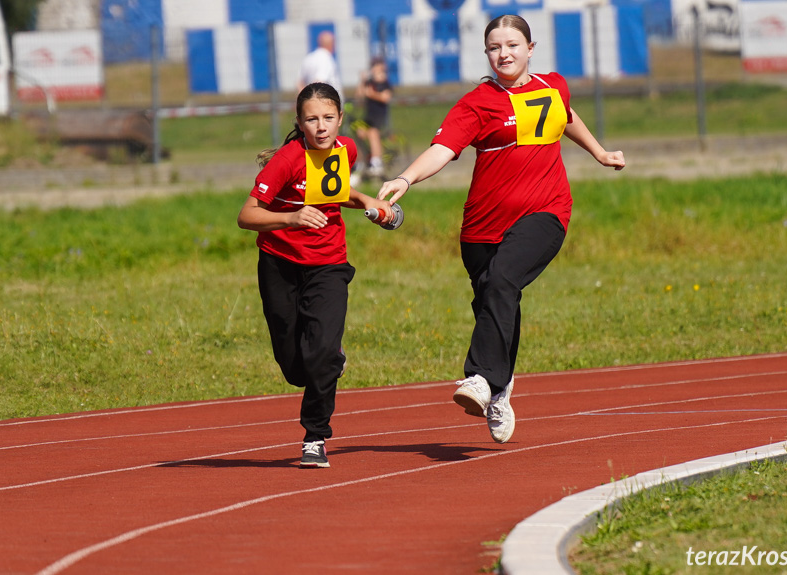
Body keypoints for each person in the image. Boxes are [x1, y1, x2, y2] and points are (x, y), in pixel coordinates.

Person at [376, 14, 625, 444]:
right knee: (496, 298)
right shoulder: (477, 103)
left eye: (512, 45)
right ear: (486, 54)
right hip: (482, 228)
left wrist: (599, 152)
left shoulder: (553, 86)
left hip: (546, 212)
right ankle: (501, 388)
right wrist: (405, 179)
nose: (503, 53)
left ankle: (479, 378)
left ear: (531, 49)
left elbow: (565, 116)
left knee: (503, 279)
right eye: (494, 47)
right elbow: (442, 149)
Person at [238, 82, 393, 468]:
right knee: (294, 367)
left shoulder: (348, 150)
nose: (321, 126)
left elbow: (336, 192)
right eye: (312, 119)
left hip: (328, 263)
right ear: (300, 123)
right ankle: (324, 362)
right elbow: (247, 216)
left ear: (341, 119)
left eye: (328, 118)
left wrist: (367, 202)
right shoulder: (288, 160)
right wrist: (291, 216)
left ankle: (315, 437)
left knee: (321, 354)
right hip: (280, 264)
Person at [354, 57, 393, 178]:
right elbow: (359, 95)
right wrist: (362, 81)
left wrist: (372, 94)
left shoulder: (384, 83)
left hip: (380, 115)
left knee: (372, 133)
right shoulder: (369, 82)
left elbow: (386, 97)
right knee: (359, 133)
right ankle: (361, 161)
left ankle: (377, 162)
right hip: (369, 115)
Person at [297, 31, 343, 100]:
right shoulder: (326, 58)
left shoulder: (309, 58)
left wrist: (304, 100)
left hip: (311, 105)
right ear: (331, 43)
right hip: (327, 104)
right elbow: (319, 82)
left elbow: (299, 83)